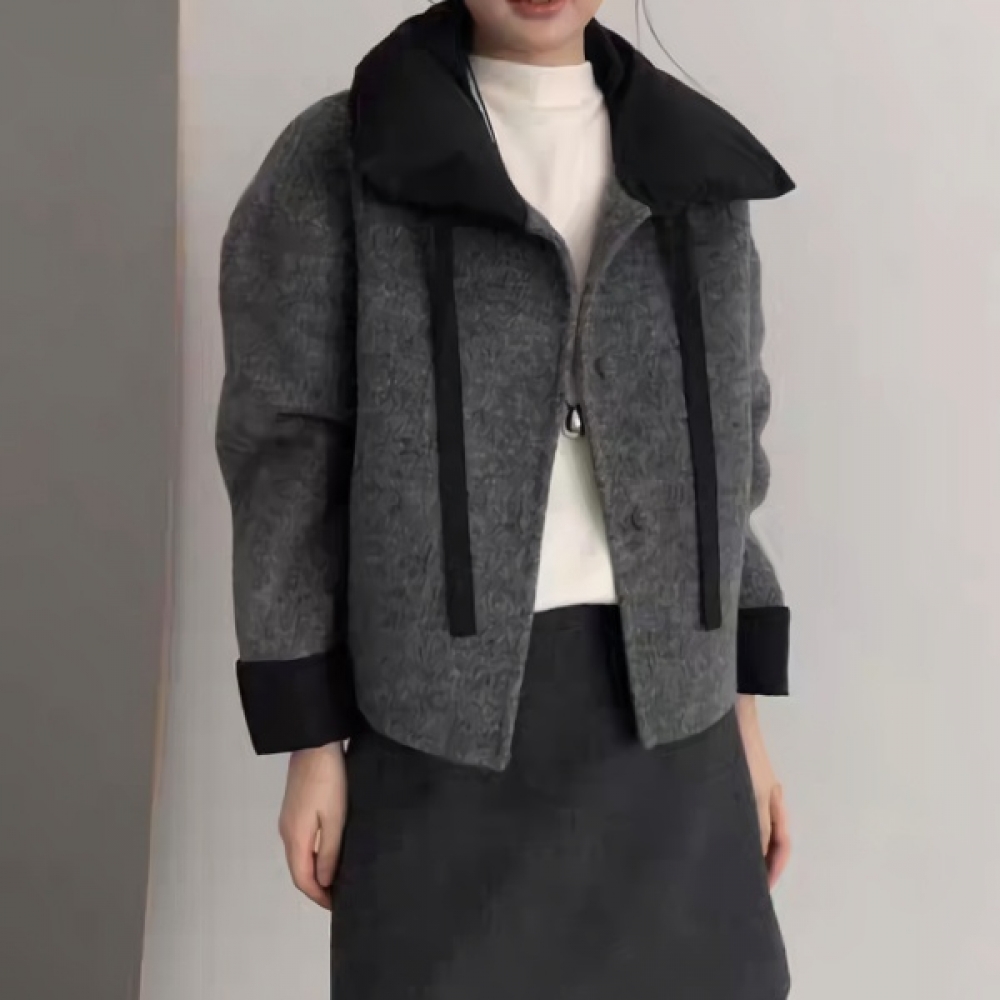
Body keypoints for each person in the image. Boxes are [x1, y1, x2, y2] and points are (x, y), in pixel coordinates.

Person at [216, 0, 796, 996]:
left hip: (673, 723)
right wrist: (310, 738)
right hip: (438, 725)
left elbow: (730, 444)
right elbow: (285, 452)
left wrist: (742, 716)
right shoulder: (341, 158)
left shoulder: (696, 164)